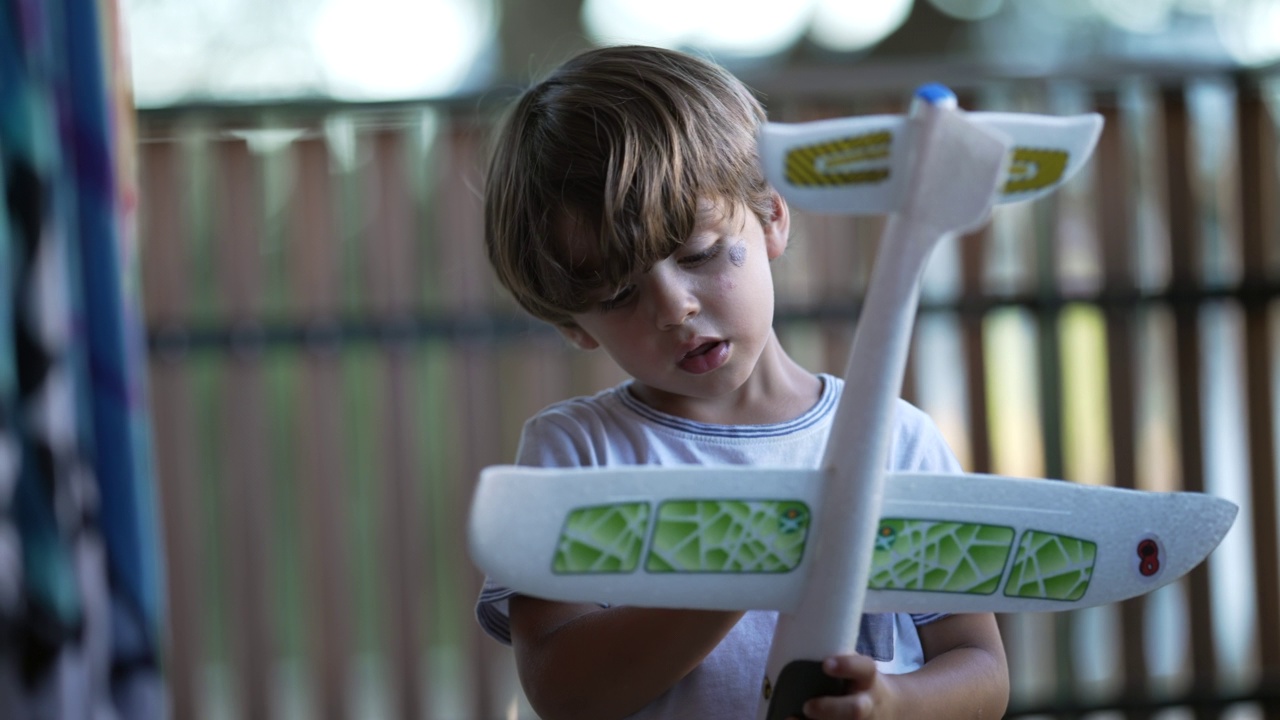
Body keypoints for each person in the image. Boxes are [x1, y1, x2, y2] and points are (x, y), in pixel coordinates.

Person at [474, 44, 1010, 720]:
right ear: (574, 324)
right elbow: (562, 689)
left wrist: (896, 702)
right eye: (616, 297)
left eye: (698, 255)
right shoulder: (573, 455)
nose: (675, 309)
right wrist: (745, 570)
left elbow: (983, 672)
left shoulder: (896, 441)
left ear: (771, 216)